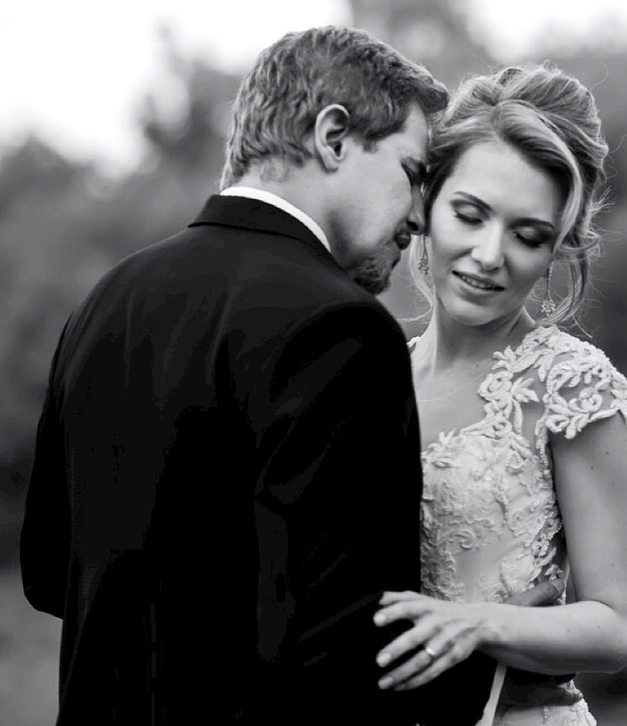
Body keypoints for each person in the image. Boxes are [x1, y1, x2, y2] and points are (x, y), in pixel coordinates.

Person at [19, 26, 501, 725]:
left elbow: (47, 570)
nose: (422, 220)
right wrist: (502, 659)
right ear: (333, 137)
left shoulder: (110, 299)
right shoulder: (344, 328)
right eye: (414, 173)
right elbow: (340, 639)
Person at [371, 64, 627, 726]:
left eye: (528, 236)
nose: (490, 254)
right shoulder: (376, 375)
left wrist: (476, 623)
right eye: (470, 215)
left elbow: (615, 626)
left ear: (556, 252)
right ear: (427, 205)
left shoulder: (572, 385)